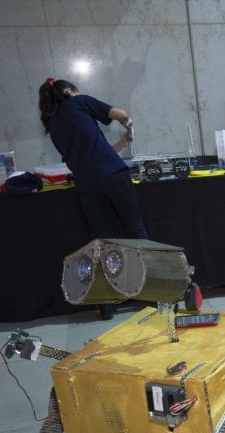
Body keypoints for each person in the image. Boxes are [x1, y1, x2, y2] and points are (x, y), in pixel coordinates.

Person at [37, 77, 147, 320]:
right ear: (68, 91)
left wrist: (122, 142)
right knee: (136, 230)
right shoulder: (79, 102)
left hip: (87, 185)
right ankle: (151, 290)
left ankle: (107, 302)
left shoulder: (53, 125)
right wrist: (128, 123)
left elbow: (91, 155)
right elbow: (119, 113)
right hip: (114, 176)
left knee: (103, 240)